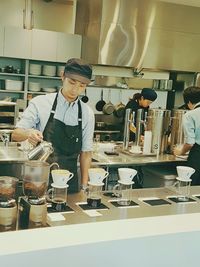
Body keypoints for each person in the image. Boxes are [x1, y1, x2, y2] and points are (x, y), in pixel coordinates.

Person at [12, 58, 95, 193]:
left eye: (82, 86)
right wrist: (28, 134)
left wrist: (84, 185)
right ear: (62, 76)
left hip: (69, 181)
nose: (75, 90)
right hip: (38, 179)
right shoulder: (40, 103)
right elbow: (16, 134)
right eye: (72, 82)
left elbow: (86, 152)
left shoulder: (87, 113)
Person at [174, 86, 200, 185]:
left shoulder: (190, 115)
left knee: (192, 187)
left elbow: (190, 143)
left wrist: (180, 151)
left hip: (198, 154)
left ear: (188, 102)